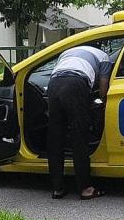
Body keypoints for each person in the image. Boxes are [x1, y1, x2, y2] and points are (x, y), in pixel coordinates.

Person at [47, 44, 112, 200]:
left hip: (53, 84)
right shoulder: (103, 57)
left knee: (55, 138)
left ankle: (58, 188)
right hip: (76, 84)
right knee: (79, 136)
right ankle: (86, 188)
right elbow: (103, 90)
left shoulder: (67, 51)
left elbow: (58, 72)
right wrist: (98, 104)